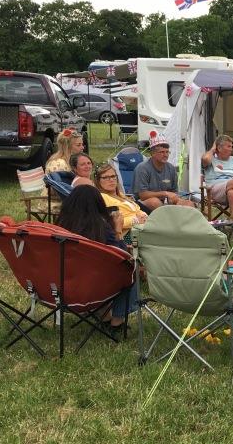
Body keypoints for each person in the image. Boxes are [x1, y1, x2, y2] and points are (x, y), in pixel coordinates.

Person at [56, 185, 138, 328]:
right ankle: (117, 322)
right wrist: (118, 230)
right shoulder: (100, 228)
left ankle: (104, 316)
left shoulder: (60, 227)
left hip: (63, 286)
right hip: (95, 288)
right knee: (129, 271)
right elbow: (123, 255)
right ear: (98, 204)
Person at [132, 135, 196, 212]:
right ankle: (168, 218)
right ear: (152, 153)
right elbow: (143, 195)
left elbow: (174, 192)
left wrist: (174, 199)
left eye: (167, 152)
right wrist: (165, 193)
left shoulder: (171, 168)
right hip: (142, 204)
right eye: (162, 152)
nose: (166, 155)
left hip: (166, 202)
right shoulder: (142, 168)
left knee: (189, 204)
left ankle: (181, 219)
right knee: (155, 202)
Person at [94, 161, 148, 232]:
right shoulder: (101, 197)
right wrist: (135, 220)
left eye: (113, 176)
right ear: (98, 181)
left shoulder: (120, 194)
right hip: (126, 233)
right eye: (105, 177)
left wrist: (143, 215)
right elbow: (110, 223)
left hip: (142, 227)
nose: (111, 180)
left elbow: (136, 210)